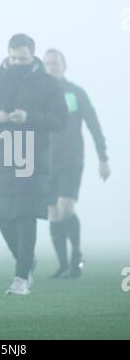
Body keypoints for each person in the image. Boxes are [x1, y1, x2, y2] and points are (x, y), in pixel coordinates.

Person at [0, 34, 67, 295]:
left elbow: (60, 120)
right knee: (1, 216)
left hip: (34, 159)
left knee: (26, 216)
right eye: (13, 58)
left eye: (22, 59)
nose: (17, 62)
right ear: (7, 54)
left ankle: (21, 278)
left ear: (32, 56)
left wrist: (29, 117)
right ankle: (27, 261)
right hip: (1, 158)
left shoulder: (49, 84)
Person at [43, 49, 111, 278]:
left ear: (64, 66)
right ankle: (64, 265)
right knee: (53, 214)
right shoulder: (37, 94)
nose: (51, 67)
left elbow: (93, 124)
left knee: (65, 208)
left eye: (55, 63)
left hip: (71, 160)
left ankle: (76, 257)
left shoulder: (75, 93)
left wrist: (103, 158)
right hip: (46, 162)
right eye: (48, 63)